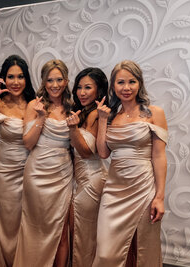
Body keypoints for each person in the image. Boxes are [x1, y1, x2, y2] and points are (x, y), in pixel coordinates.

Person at [92, 60, 168, 267]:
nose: (126, 88)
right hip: (114, 189)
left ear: (139, 83)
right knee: (106, 252)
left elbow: (159, 157)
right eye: (121, 82)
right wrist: (101, 120)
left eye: (132, 82)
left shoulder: (154, 114)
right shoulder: (110, 116)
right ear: (113, 86)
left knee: (143, 248)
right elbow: (103, 153)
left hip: (143, 187)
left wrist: (159, 197)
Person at [13, 59, 73, 267]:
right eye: (50, 80)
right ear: (43, 82)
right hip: (37, 172)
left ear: (66, 81)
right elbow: (28, 143)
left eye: (59, 80)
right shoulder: (34, 105)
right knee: (35, 228)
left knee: (61, 230)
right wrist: (40, 117)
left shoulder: (72, 107)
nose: (54, 85)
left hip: (63, 174)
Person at [0, 54, 35, 266]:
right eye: (11, 77)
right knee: (6, 217)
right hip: (4, 168)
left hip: (31, 168)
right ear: (4, 79)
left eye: (20, 76)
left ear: (26, 79)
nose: (16, 82)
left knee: (27, 218)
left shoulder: (35, 103)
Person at [66, 68, 109, 267]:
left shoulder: (95, 115)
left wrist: (73, 130)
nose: (82, 92)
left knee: (84, 233)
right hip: (80, 179)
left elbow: (86, 152)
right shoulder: (82, 112)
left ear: (99, 91)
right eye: (79, 87)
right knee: (79, 231)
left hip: (92, 179)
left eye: (88, 88)